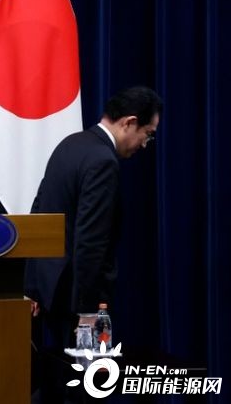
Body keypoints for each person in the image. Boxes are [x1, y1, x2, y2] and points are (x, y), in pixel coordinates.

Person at [25, 85, 162, 402]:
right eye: (148, 134)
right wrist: (89, 312)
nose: (145, 144)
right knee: (89, 388)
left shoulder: (69, 145)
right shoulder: (103, 161)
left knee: (55, 384)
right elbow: (91, 242)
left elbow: (38, 214)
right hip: (80, 301)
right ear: (129, 122)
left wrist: (32, 286)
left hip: (50, 290)